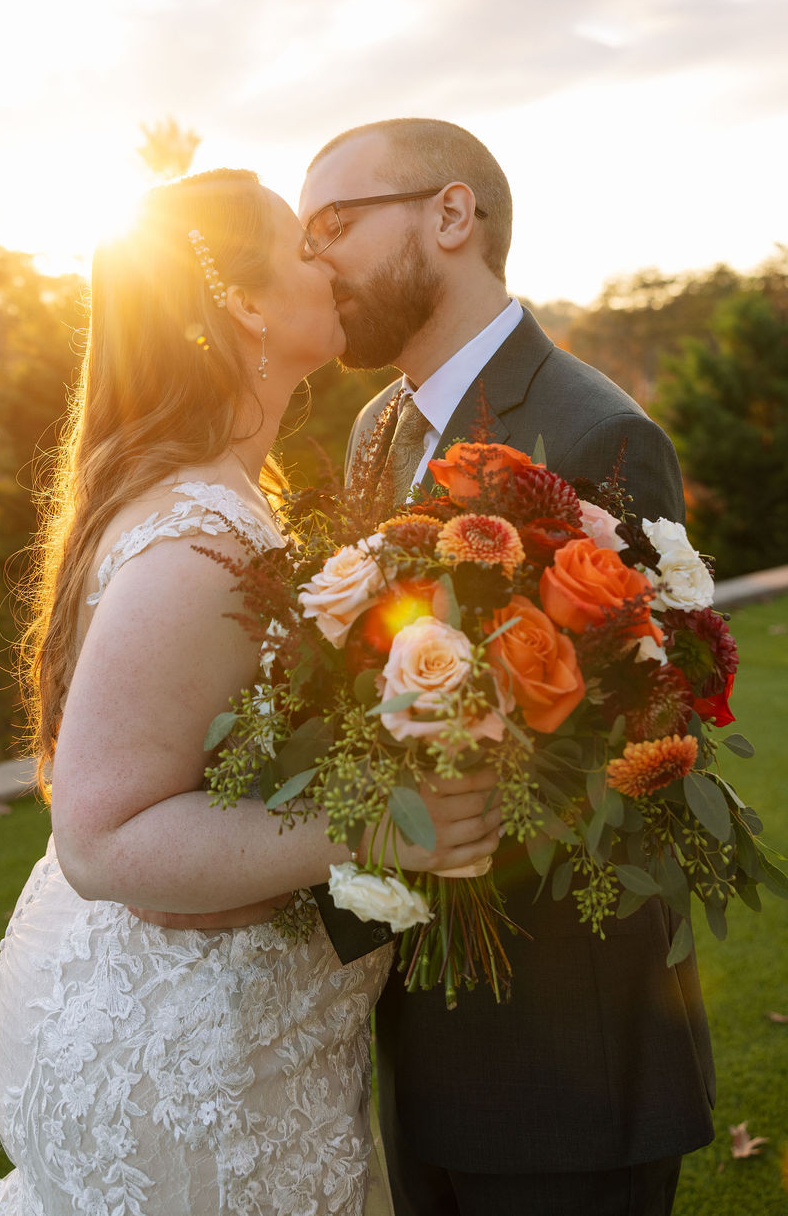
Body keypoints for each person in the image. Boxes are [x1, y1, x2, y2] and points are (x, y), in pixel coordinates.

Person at [0, 169, 501, 1216]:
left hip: (240, 1028)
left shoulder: (222, 494)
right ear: (247, 305)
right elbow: (100, 840)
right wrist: (377, 827)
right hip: (190, 1069)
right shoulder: (196, 543)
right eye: (305, 248)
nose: (330, 261)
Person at [297, 119, 716, 1216]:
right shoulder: (377, 429)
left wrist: (366, 846)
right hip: (421, 1038)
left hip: (564, 1067)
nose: (311, 258)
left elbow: (635, 772)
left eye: (333, 223)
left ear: (449, 215)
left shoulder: (595, 435)